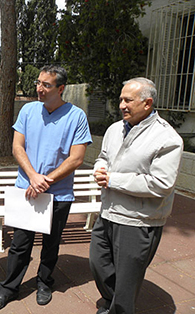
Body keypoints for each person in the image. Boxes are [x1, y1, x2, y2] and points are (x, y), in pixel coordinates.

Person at [0, 65, 92, 312]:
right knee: (20, 245)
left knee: (51, 243)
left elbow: (76, 158)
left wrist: (46, 181)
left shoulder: (76, 116)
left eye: (46, 85)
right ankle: (9, 289)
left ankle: (45, 282)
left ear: (61, 88)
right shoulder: (28, 110)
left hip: (59, 194)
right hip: (27, 191)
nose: (39, 89)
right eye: (38, 83)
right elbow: (17, 147)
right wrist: (34, 177)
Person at [90, 77, 183, 314]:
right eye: (121, 99)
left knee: (127, 282)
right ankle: (113, 304)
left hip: (138, 221)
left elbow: (161, 184)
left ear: (147, 103)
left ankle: (120, 308)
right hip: (108, 213)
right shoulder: (115, 129)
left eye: (128, 100)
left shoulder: (167, 138)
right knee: (98, 264)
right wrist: (99, 169)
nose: (121, 104)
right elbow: (103, 156)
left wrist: (113, 180)